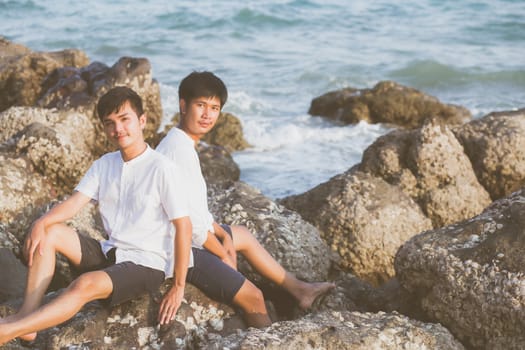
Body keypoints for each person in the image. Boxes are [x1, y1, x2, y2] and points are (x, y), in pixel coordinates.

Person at [0, 86, 193, 345]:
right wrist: (41, 222)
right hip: (111, 252)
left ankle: (7, 331)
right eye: (110, 123)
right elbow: (74, 203)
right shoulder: (105, 164)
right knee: (50, 232)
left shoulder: (162, 169)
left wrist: (179, 286)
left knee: (84, 285)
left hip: (146, 263)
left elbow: (184, 226)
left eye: (125, 120)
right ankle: (26, 319)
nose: (118, 129)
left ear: (142, 121)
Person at [156, 71, 335, 328]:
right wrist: (223, 253)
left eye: (214, 108)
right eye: (201, 105)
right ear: (183, 105)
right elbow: (190, 225)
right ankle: (269, 342)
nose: (208, 114)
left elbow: (195, 209)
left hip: (185, 235)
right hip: (178, 249)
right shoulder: (178, 151)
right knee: (255, 298)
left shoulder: (180, 142)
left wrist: (222, 233)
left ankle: (299, 290)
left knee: (242, 235)